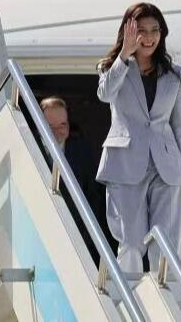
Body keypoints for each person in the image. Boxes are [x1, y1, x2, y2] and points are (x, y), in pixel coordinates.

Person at [96, 2, 181, 272]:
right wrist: (124, 56)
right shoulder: (111, 67)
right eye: (141, 31)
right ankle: (130, 296)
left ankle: (166, 296)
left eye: (154, 30)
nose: (148, 37)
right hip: (125, 164)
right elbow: (105, 94)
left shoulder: (176, 74)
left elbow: (179, 127)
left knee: (166, 245)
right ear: (128, 32)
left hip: (166, 167)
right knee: (131, 242)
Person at [40, 96, 110, 264]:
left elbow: (94, 197)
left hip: (78, 241)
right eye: (50, 127)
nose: (57, 131)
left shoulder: (81, 150)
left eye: (62, 125)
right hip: (41, 239)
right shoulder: (28, 146)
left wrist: (85, 239)